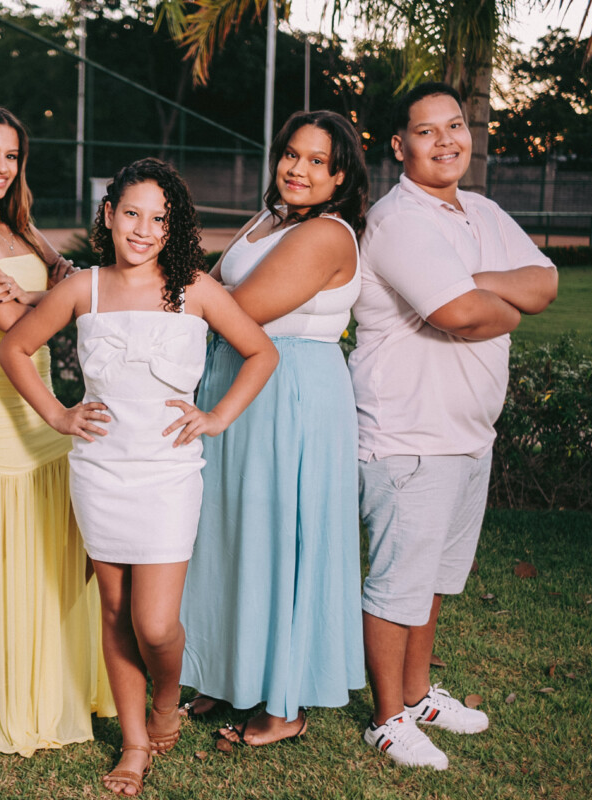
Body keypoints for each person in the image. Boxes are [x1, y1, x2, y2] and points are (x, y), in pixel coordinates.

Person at [0, 158, 277, 796]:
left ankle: (167, 697)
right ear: (109, 214)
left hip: (169, 473)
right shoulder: (84, 288)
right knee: (116, 610)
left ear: (172, 227)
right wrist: (59, 415)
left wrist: (216, 417)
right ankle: (132, 744)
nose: (143, 230)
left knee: (154, 623)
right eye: (132, 214)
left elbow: (262, 352)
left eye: (159, 219)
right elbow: (13, 348)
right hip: (100, 471)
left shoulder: (194, 289)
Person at [350, 82, 557, 770]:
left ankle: (417, 695)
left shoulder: (483, 211)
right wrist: (493, 297)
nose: (446, 140)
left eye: (456, 126)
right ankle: (386, 719)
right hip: (410, 434)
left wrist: (472, 279)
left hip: (469, 434)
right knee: (398, 584)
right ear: (399, 145)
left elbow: (546, 284)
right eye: (427, 130)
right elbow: (461, 315)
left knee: (434, 577)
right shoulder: (397, 219)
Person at [176, 110, 368, 745]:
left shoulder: (326, 234)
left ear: (340, 177)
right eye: (291, 154)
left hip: (290, 393)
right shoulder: (269, 218)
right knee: (229, 530)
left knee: (277, 535)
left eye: (317, 161)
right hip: (237, 381)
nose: (298, 169)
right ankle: (226, 672)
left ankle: (284, 703)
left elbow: (237, 308)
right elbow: (208, 289)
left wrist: (127, 294)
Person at [0, 105, 113, 756]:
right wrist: (54, 298)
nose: (1, 167)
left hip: (41, 403)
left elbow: (71, 286)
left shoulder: (22, 229)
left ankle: (60, 684)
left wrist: (42, 295)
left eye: (12, 156)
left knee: (54, 555)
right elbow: (10, 320)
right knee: (10, 562)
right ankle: (13, 698)